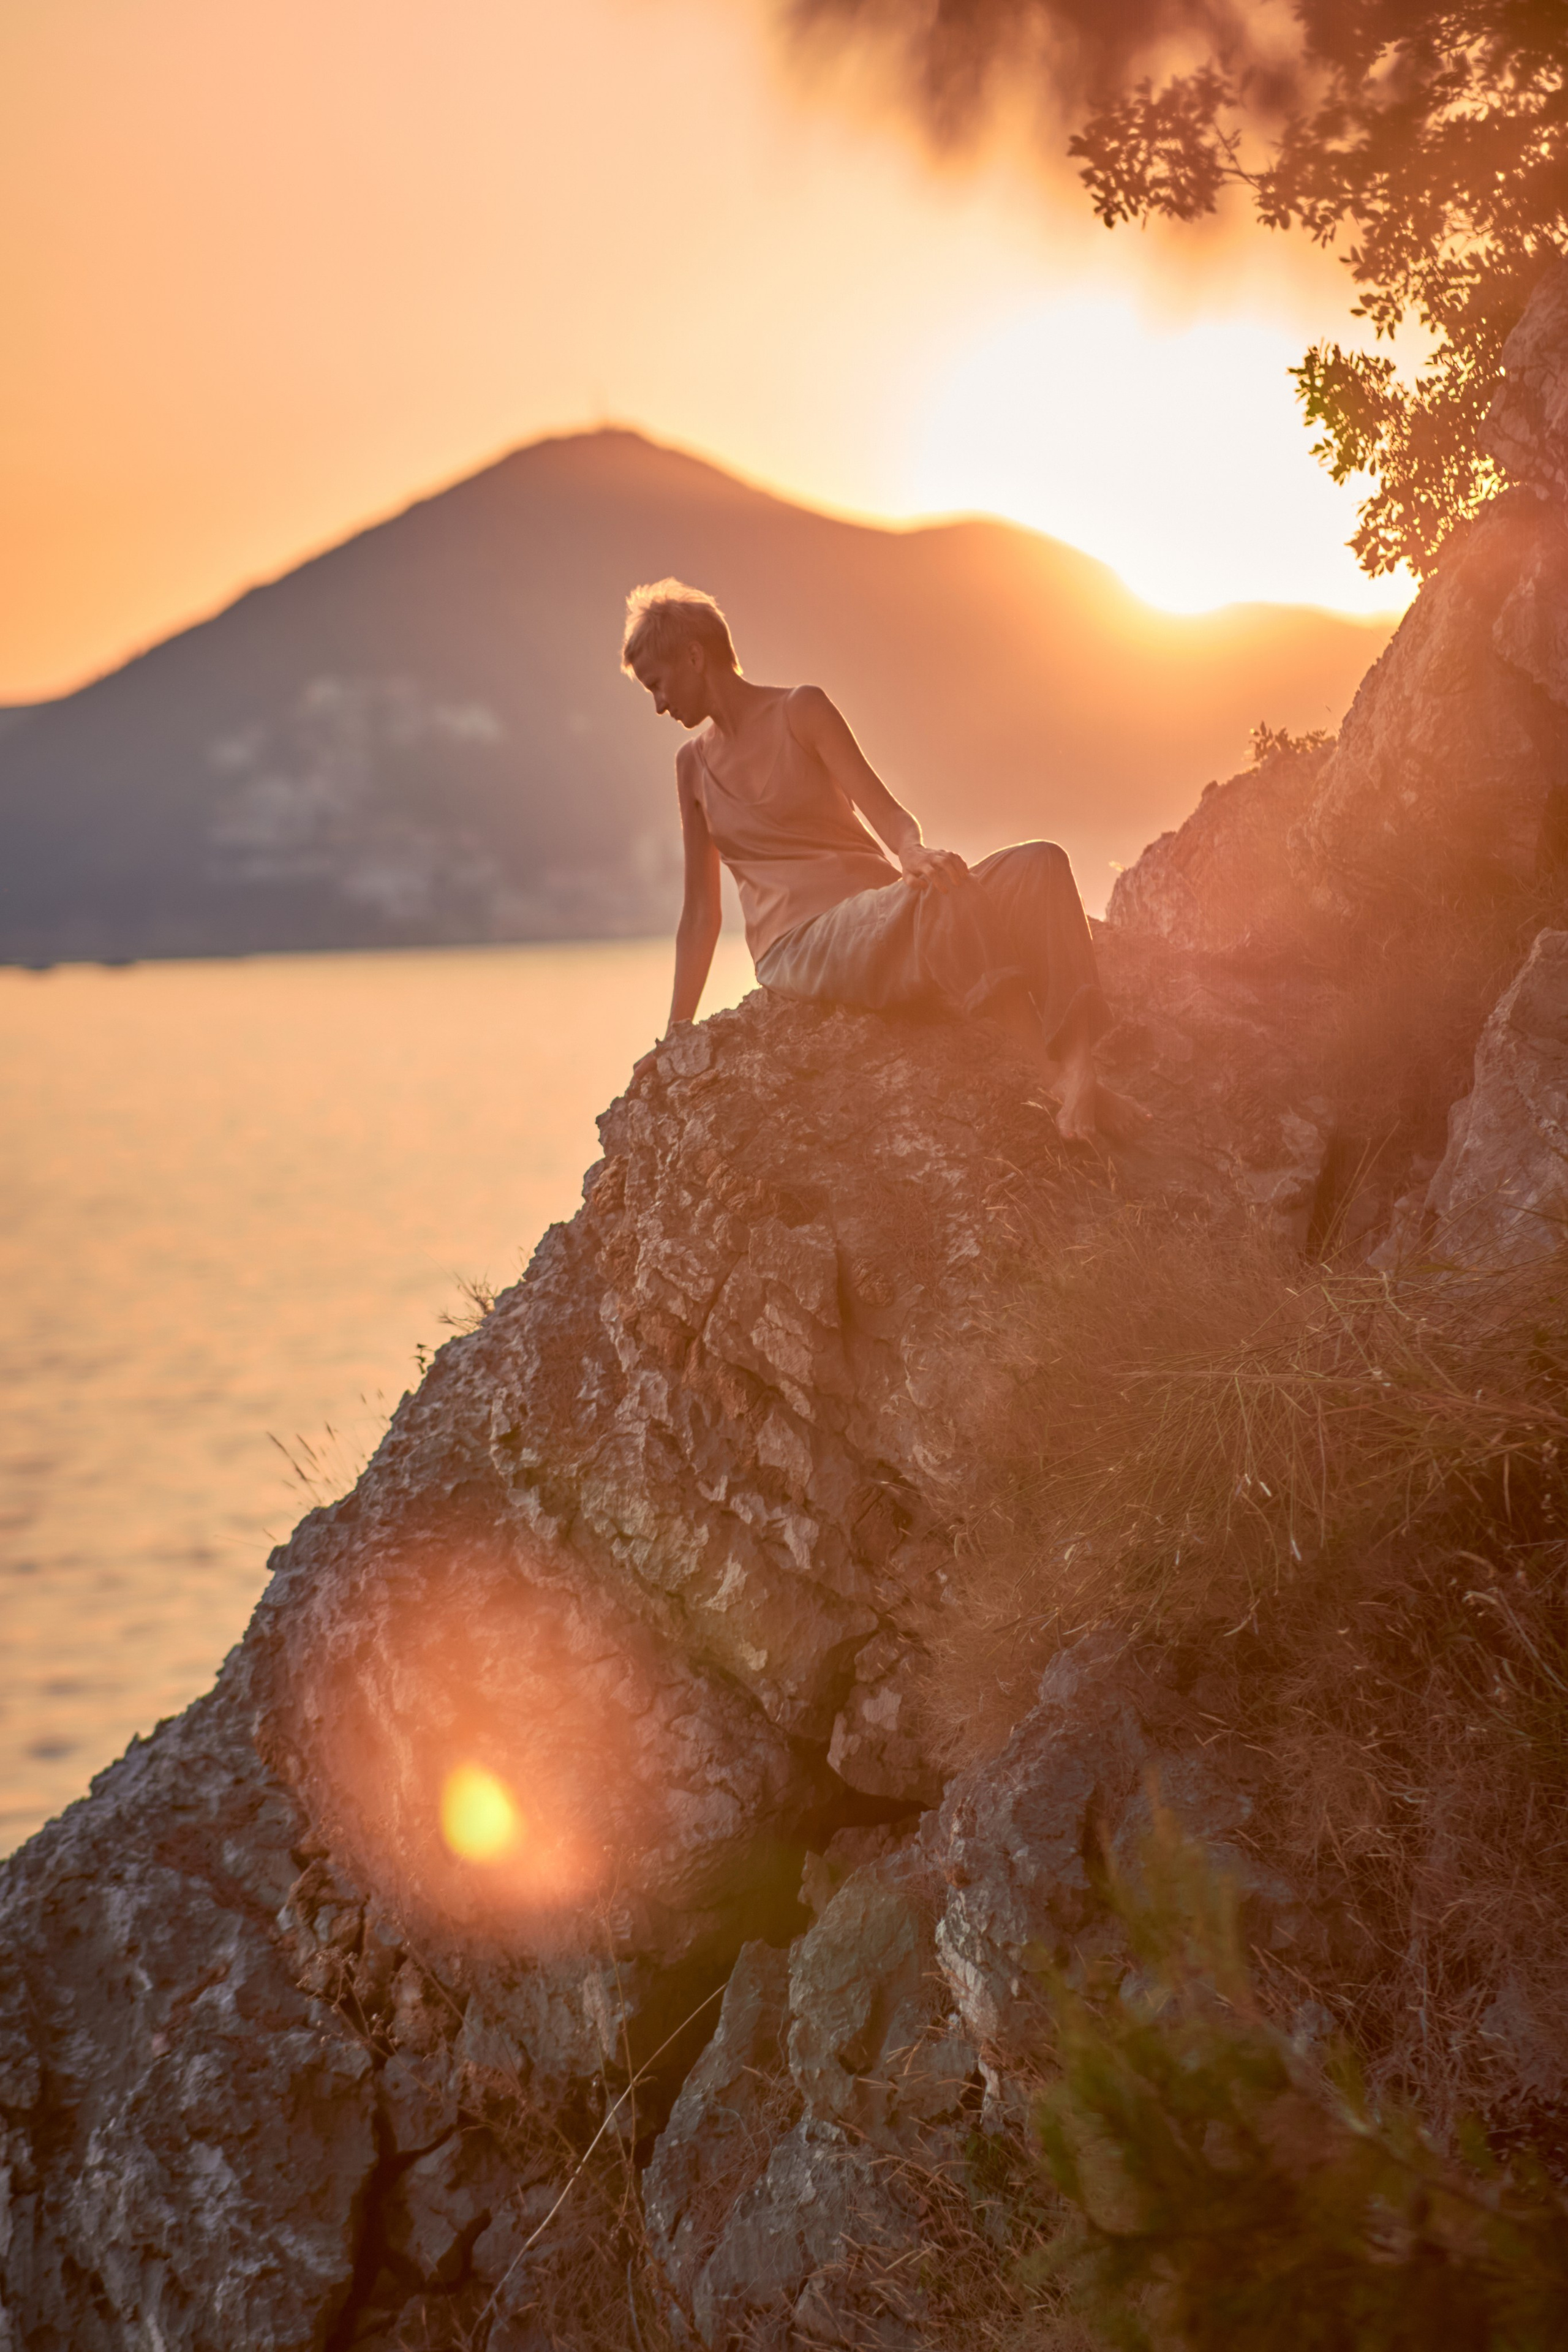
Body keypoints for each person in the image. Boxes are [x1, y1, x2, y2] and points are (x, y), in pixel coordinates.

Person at [621, 578, 1144, 1144]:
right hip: (797, 945)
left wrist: (913, 852)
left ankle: (1079, 1069)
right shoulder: (691, 768)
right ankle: (1052, 1081)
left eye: (658, 684)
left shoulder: (801, 709)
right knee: (947, 897)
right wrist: (677, 1035)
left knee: (1042, 863)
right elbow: (701, 914)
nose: (659, 705)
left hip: (884, 910)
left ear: (695, 656)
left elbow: (886, 812)